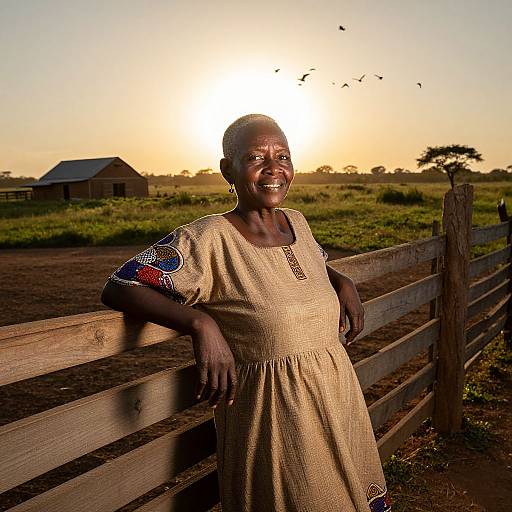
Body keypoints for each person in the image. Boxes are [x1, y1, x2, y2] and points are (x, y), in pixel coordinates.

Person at [101, 113, 392, 512]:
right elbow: (121, 284)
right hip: (278, 417)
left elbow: (308, 266)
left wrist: (341, 279)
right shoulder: (208, 238)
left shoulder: (297, 224)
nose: (274, 169)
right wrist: (199, 322)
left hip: (336, 395)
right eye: (257, 157)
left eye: (283, 156)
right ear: (229, 169)